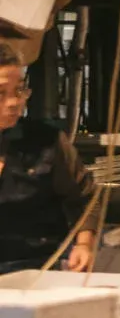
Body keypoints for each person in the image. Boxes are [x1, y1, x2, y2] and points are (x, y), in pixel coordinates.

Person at [0, 45, 96, 274]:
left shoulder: (47, 141)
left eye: (19, 91)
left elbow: (84, 199)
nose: (14, 102)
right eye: (1, 93)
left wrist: (84, 245)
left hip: (34, 271)